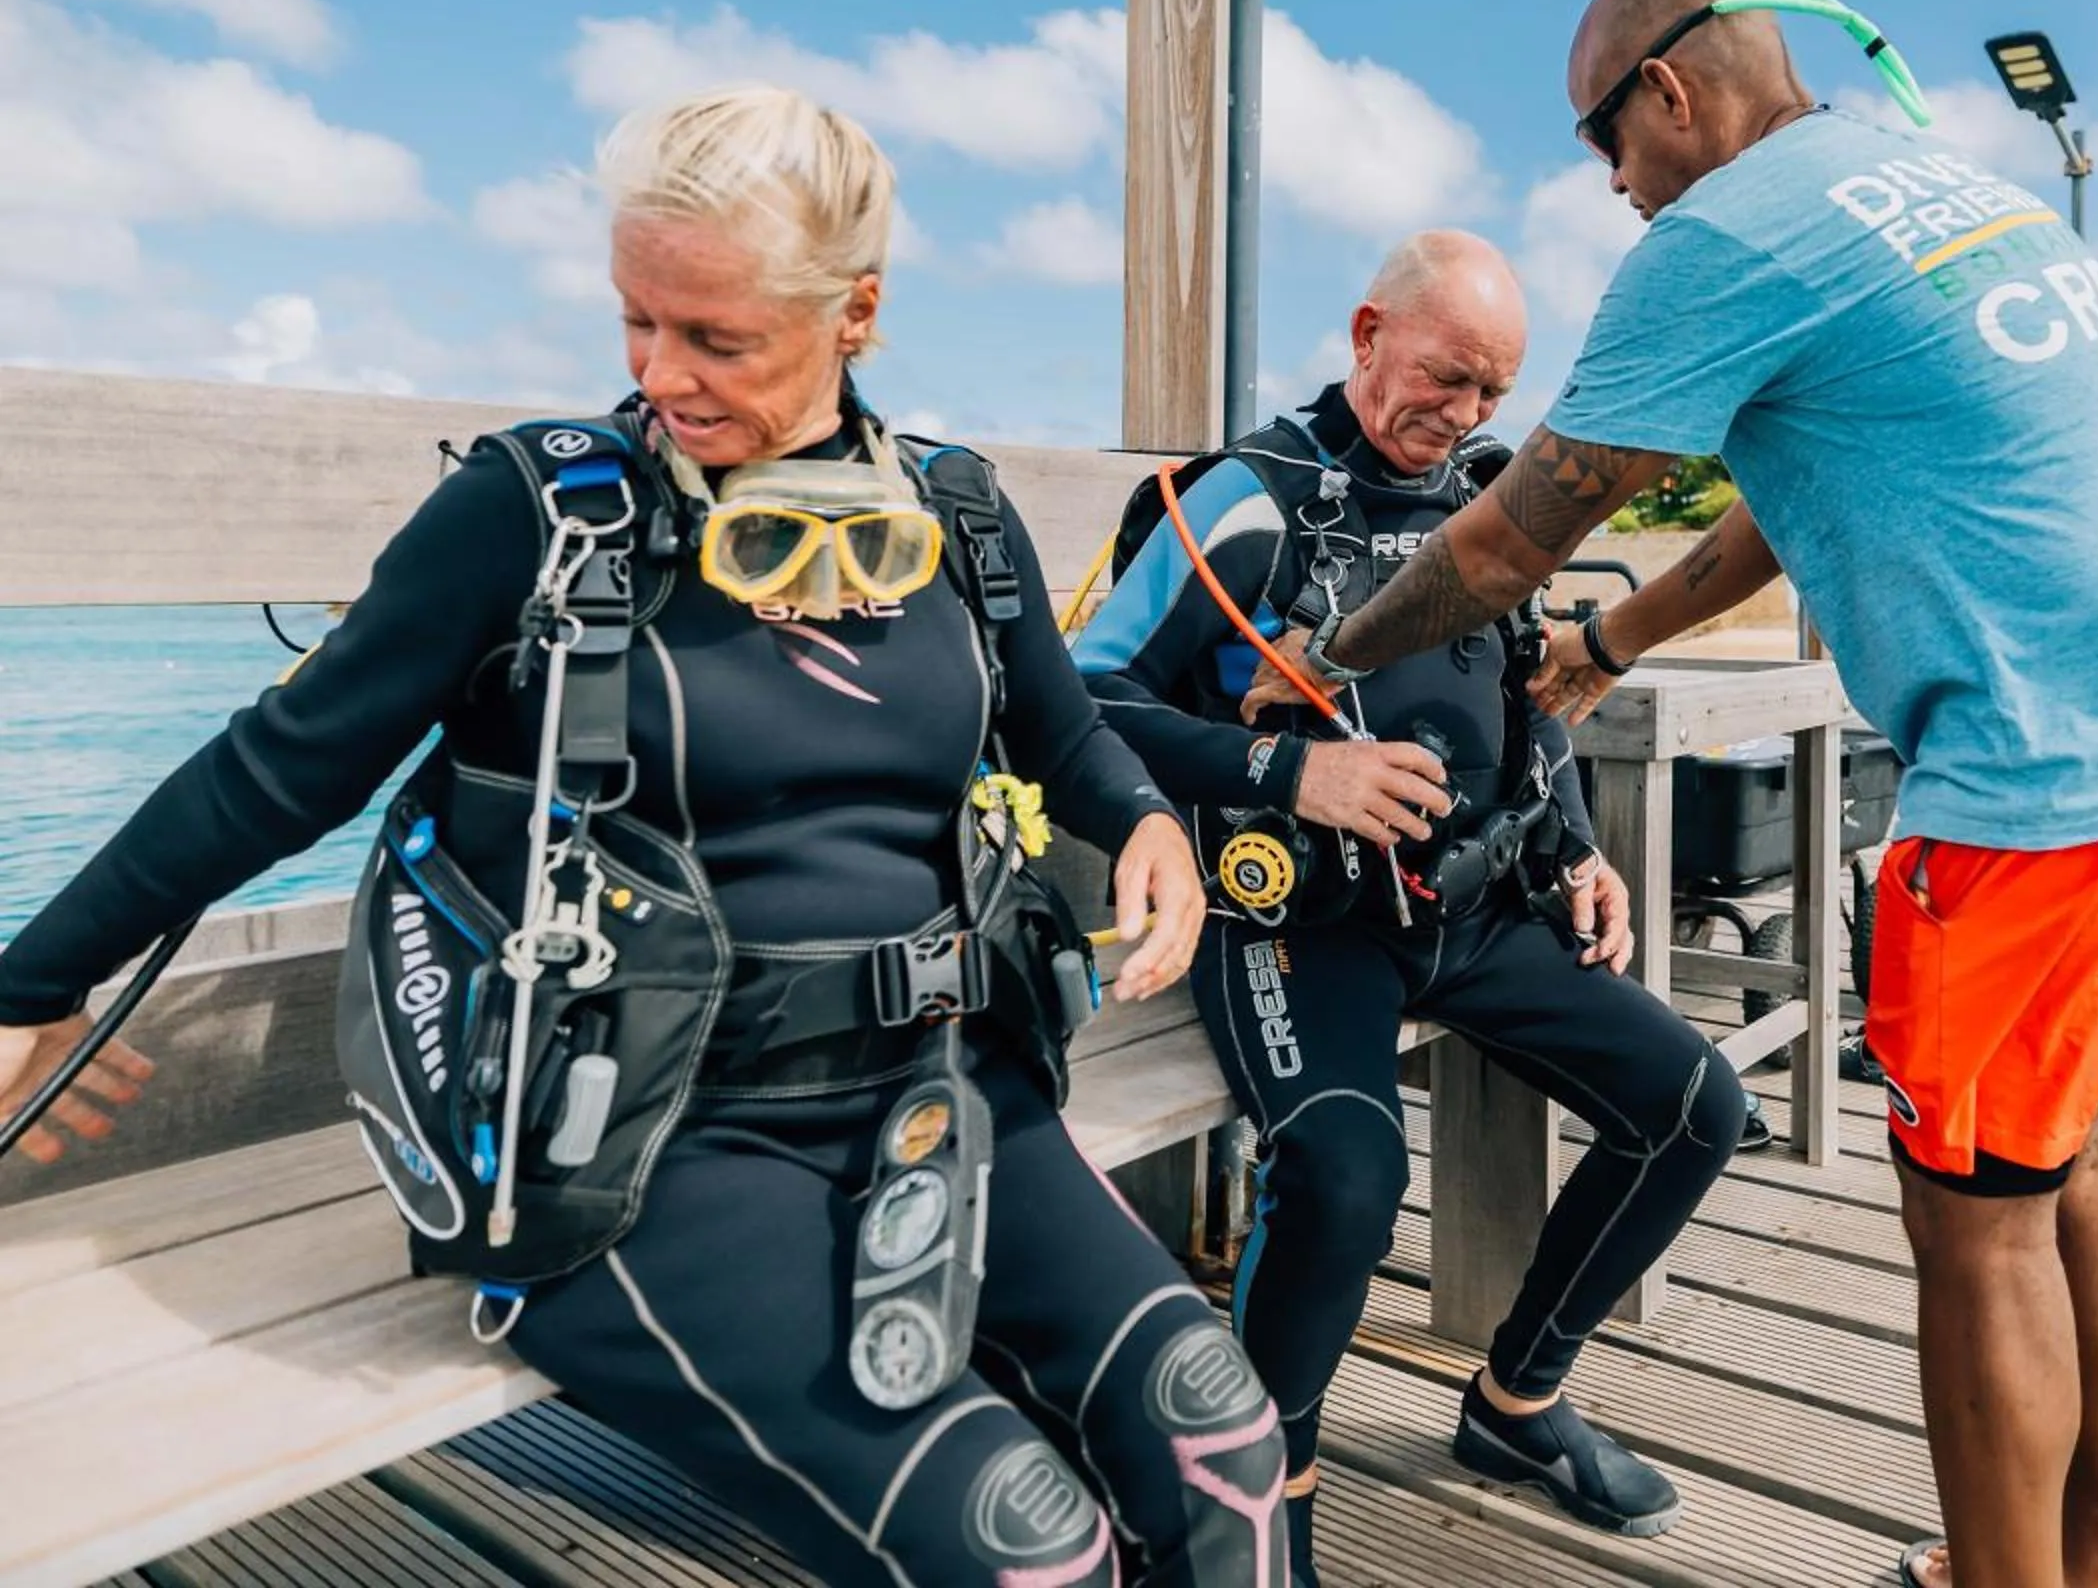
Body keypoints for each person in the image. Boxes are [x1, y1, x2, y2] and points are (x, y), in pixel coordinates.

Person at [0, 87, 1288, 1587]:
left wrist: (1144, 824)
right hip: (643, 1144)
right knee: (1028, 1549)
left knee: (1223, 1443)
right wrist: (33, 983)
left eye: (715, 339)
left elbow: (1058, 733)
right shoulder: (539, 519)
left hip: (940, 1086)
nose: (660, 374)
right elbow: (281, 769)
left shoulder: (954, 514)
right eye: (635, 322)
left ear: (854, 312)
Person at [1245, 0, 2098, 1588]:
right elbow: (1782, 499)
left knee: (1974, 1221)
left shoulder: (1718, 234)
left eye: (1603, 141)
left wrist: (1314, 664)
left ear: (1665, 89)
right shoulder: (1918, 176)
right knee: (2069, 1141)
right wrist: (1615, 648)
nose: (1610, 183)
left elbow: (1513, 541)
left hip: (2039, 783)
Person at [1073, 230, 1748, 1588]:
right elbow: (1085, 701)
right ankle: (1263, 1481)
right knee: (1344, 1176)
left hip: (1476, 909)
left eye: (1495, 393)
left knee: (1696, 1106)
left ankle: (1514, 1405)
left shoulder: (1493, 502)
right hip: (1295, 926)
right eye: (1444, 377)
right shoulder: (1249, 501)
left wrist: (1576, 851)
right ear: (1368, 331)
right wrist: (1291, 768)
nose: (1464, 415)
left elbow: (1523, 699)